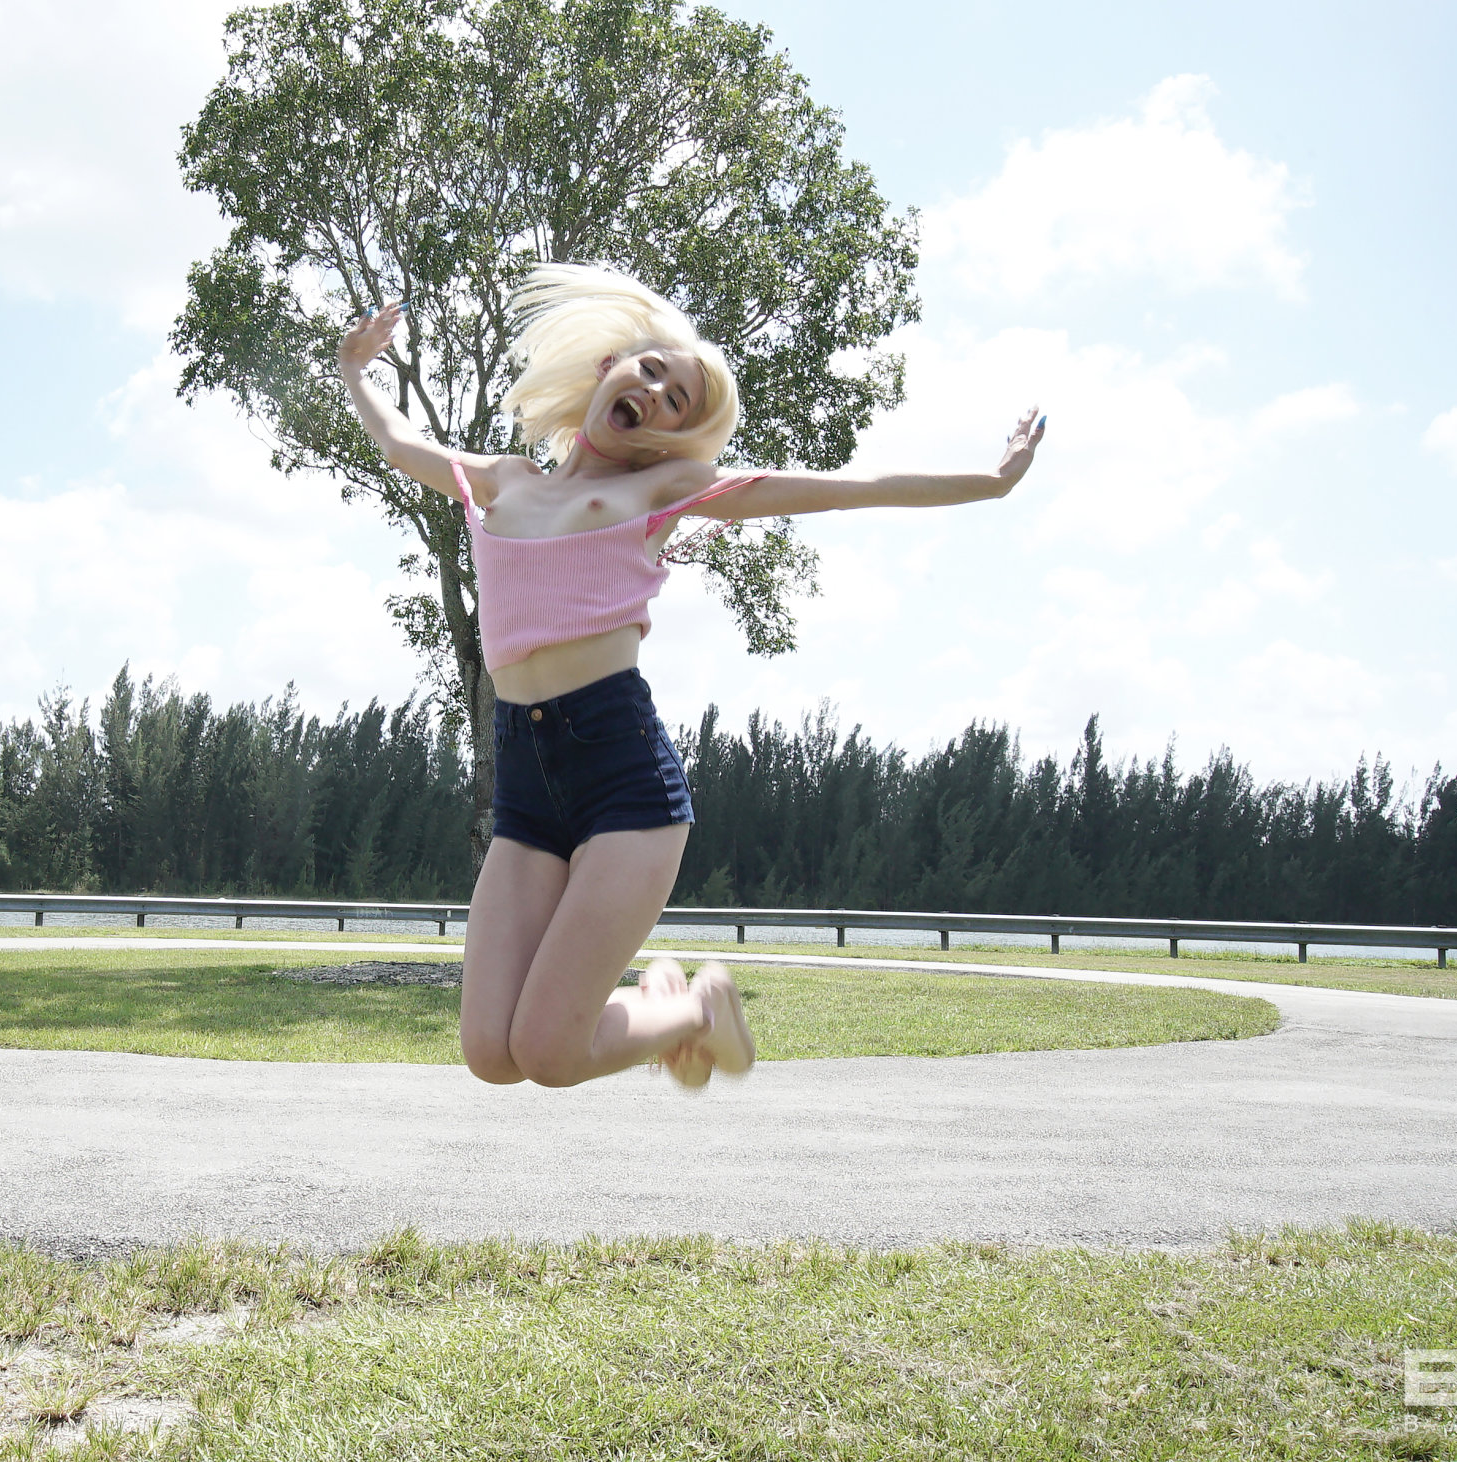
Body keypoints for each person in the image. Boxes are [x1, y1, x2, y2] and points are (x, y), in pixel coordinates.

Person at [338, 263, 1042, 1090]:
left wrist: (991, 482)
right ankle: (666, 1003)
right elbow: (399, 444)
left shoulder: (662, 489)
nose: (657, 394)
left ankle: (699, 1010)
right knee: (492, 1054)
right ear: (608, 369)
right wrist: (354, 369)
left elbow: (843, 491)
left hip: (621, 778)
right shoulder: (506, 481)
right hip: (526, 780)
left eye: (677, 401)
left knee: (551, 1053)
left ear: (670, 434)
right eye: (651, 372)